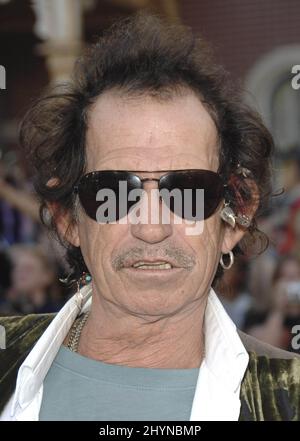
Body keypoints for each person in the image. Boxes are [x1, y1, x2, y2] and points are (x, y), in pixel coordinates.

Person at [0, 13, 299, 421]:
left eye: (189, 191)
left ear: (234, 218)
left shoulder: (287, 398)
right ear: (68, 219)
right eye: (114, 193)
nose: (152, 227)